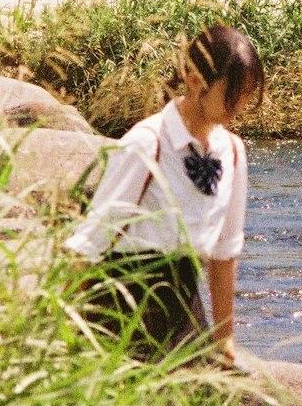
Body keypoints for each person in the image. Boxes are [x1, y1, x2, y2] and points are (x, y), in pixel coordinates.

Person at [65, 24, 263, 361]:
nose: (240, 104)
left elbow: (224, 254)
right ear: (195, 79)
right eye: (234, 91)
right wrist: (64, 333)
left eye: (247, 92)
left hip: (185, 306)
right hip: (123, 307)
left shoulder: (231, 151)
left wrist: (224, 339)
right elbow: (89, 244)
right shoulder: (148, 143)